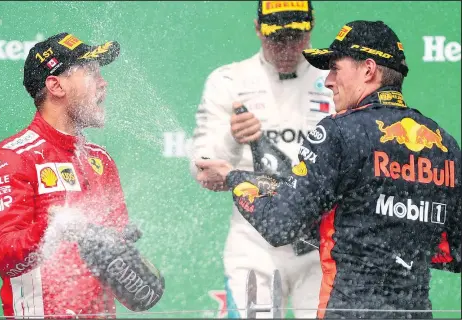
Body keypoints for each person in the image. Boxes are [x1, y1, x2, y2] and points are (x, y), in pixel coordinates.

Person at [195, 20, 461, 319]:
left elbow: (282, 225)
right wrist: (399, 242)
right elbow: (456, 252)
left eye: (336, 68)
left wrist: (235, 178)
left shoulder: (340, 132)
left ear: (368, 70)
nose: (328, 81)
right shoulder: (445, 145)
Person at [0, 32, 164, 318]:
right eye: (91, 73)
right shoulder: (12, 158)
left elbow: (114, 271)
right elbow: (4, 256)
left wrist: (125, 259)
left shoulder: (100, 160)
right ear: (56, 85)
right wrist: (51, 229)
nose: (104, 83)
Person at [189, 0, 334, 318]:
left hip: (322, 249)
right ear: (257, 29)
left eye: (296, 37)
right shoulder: (228, 80)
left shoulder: (334, 80)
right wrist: (232, 138)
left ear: (311, 28)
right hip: (254, 246)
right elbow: (202, 169)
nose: (286, 47)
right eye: (275, 37)